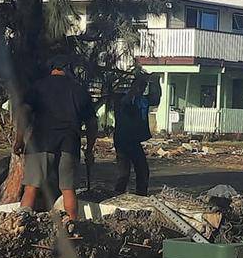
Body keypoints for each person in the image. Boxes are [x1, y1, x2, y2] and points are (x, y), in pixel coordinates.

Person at [14, 55, 95, 221]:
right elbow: (92, 123)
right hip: (69, 143)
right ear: (68, 69)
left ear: (52, 68)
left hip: (40, 142)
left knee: (31, 188)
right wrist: (89, 149)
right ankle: (72, 226)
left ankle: (22, 225)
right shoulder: (78, 90)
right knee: (68, 189)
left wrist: (19, 139)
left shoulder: (38, 87)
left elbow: (23, 113)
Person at [112, 72, 161, 196]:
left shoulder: (142, 100)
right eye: (141, 87)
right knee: (125, 172)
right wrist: (135, 87)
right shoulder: (122, 99)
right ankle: (119, 194)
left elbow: (155, 98)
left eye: (144, 87)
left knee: (142, 170)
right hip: (123, 139)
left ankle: (140, 195)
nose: (142, 90)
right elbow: (125, 102)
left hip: (133, 140)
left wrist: (155, 81)